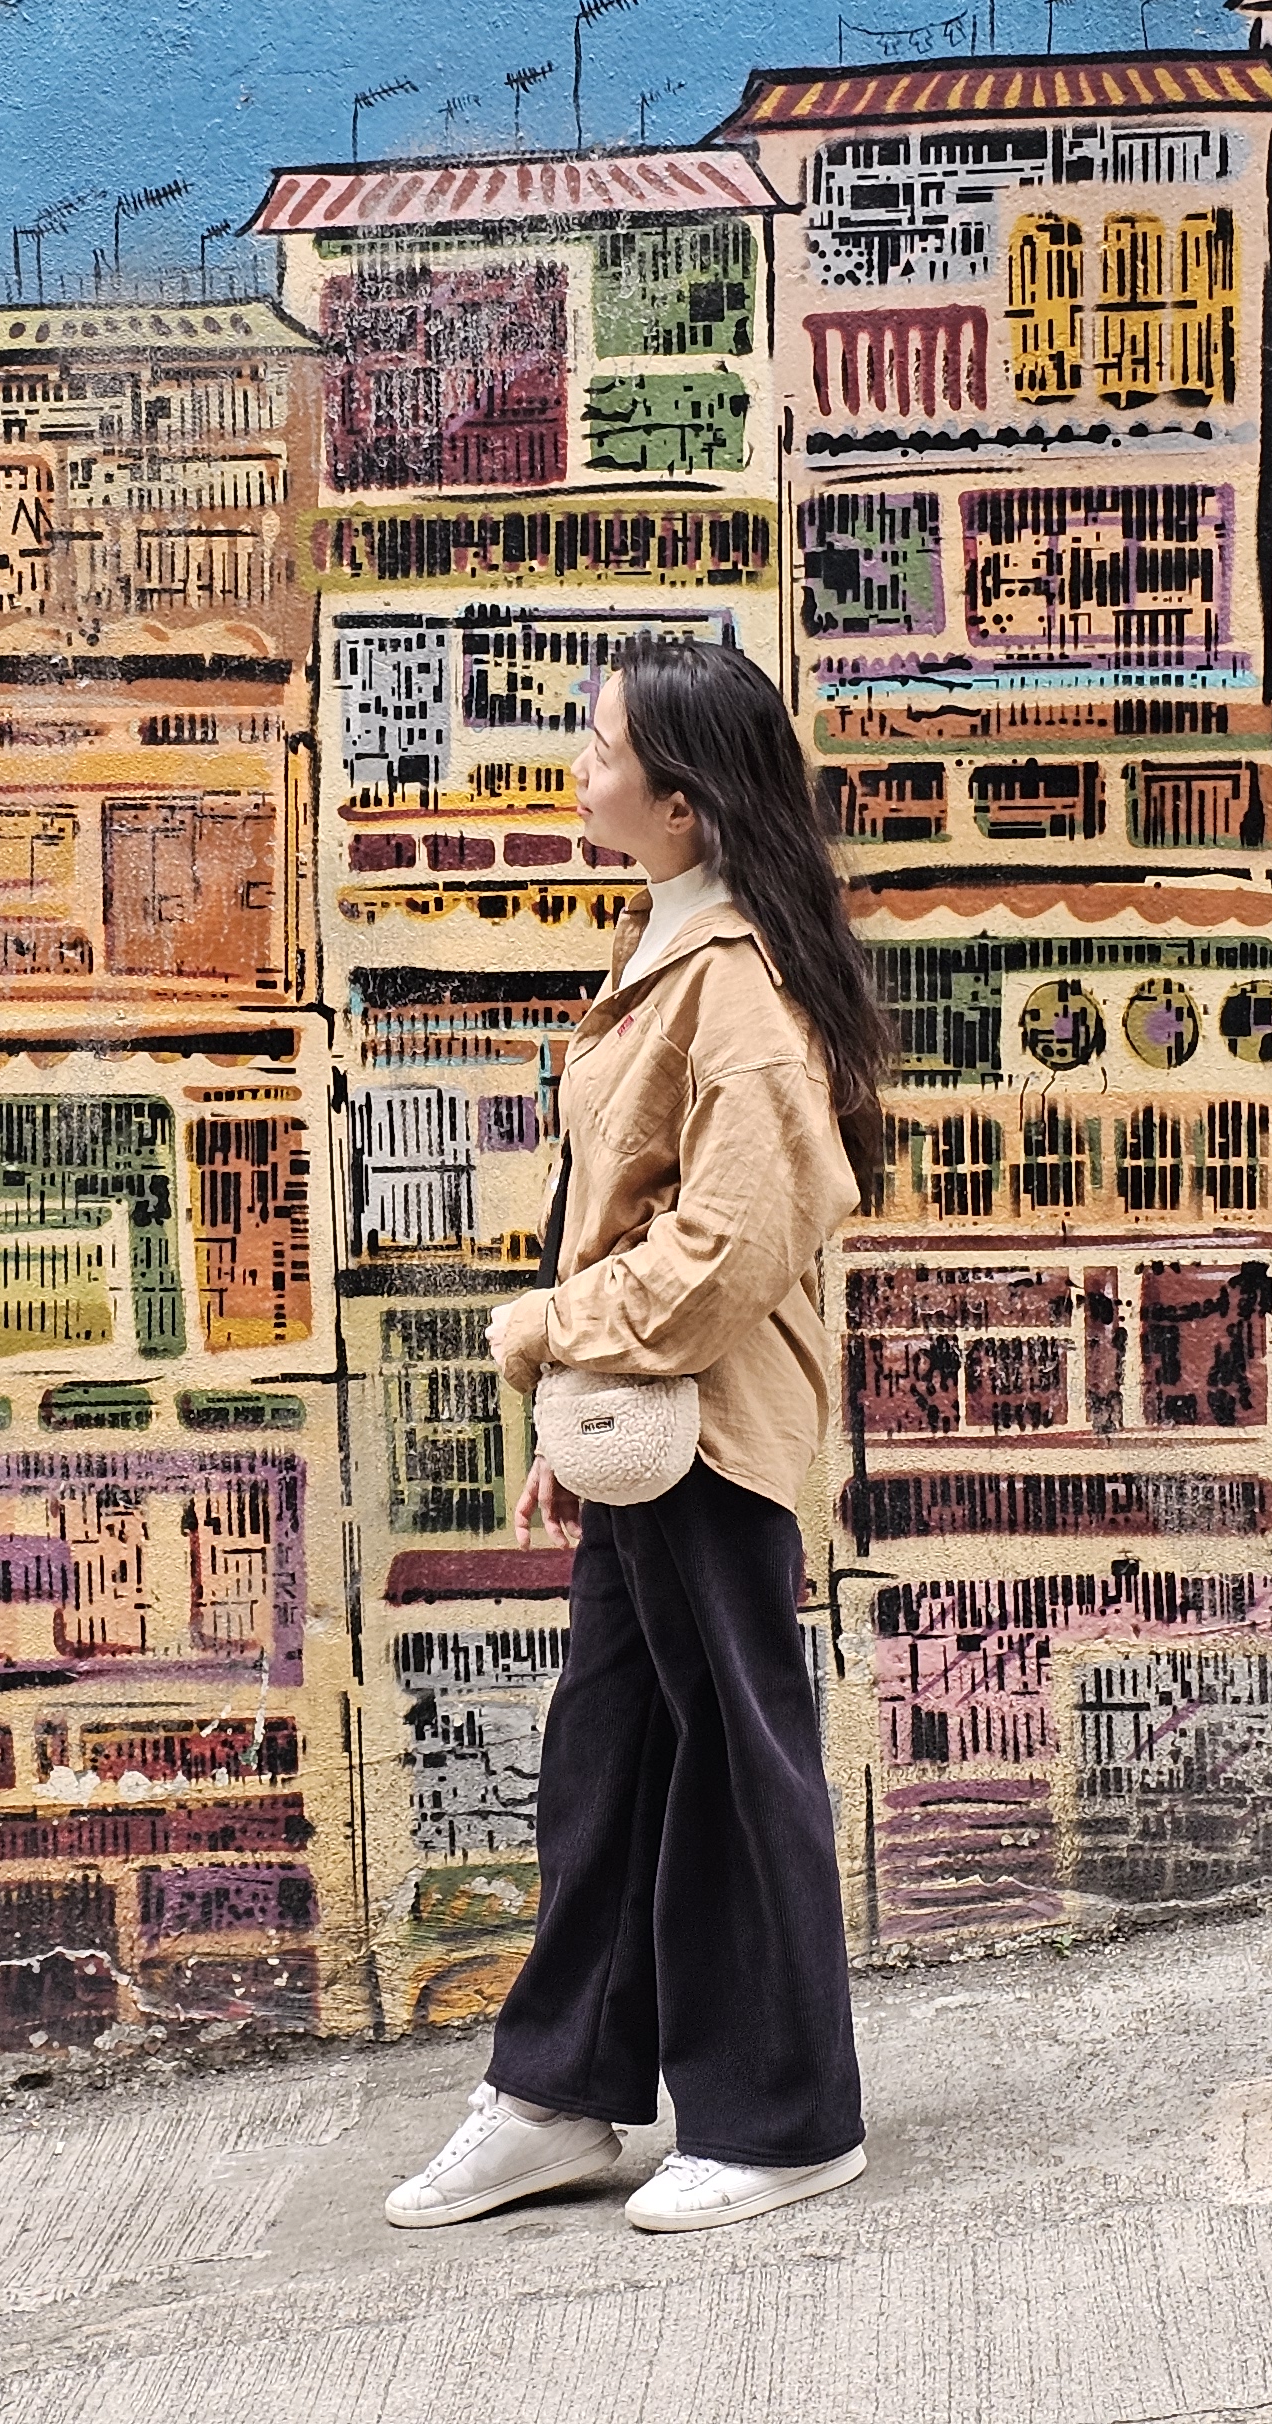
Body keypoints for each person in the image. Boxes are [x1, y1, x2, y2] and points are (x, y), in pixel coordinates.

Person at [383, 635, 891, 2238]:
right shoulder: (665, 942)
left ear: (680, 801)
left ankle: (785, 2117)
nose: (578, 767)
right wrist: (577, 1406)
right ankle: (560, 2095)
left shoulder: (731, 992)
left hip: (719, 1441)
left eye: (600, 747)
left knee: (737, 1776)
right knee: (612, 1768)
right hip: (651, 1434)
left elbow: (727, 1253)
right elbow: (628, 1211)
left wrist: (545, 1337)